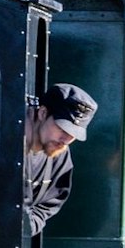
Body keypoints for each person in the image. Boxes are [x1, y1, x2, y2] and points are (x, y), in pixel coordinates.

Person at [25, 82, 97, 238]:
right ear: (43, 113)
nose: (65, 140)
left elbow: (49, 204)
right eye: (62, 128)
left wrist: (29, 225)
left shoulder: (61, 155)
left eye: (73, 135)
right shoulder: (5, 142)